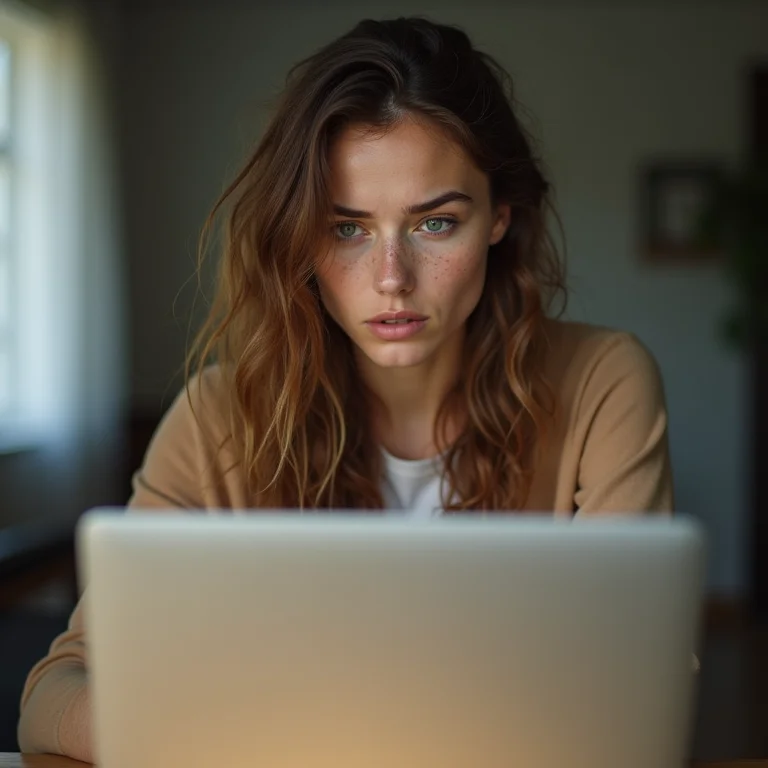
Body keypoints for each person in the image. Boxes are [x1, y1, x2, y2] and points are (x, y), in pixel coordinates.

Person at [17, 16, 673, 762]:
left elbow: (638, 690)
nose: (392, 278)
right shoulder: (217, 418)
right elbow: (53, 692)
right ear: (299, 238)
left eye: (435, 223)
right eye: (347, 230)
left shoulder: (603, 385)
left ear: (499, 218)